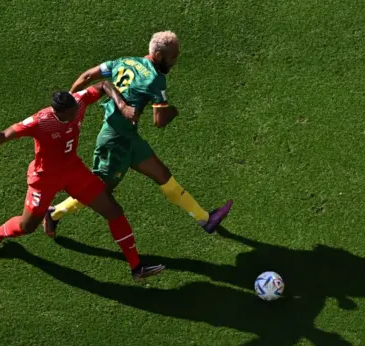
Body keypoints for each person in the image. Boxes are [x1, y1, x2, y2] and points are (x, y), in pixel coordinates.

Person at [43, 31, 232, 238]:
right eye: (172, 58)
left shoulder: (124, 61)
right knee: (99, 190)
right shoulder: (155, 79)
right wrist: (173, 111)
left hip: (128, 137)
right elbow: (159, 122)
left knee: (163, 176)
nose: (174, 62)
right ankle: (54, 213)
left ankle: (205, 219)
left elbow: (88, 76)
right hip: (115, 141)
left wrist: (73, 104)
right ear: (159, 55)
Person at [0, 81, 164, 280]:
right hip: (45, 178)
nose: (77, 113)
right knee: (26, 227)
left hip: (74, 171)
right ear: (60, 112)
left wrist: (122, 105)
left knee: (113, 211)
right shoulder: (40, 121)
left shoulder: (79, 103)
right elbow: (6, 134)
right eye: (72, 111)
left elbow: (103, 85)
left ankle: (137, 267)